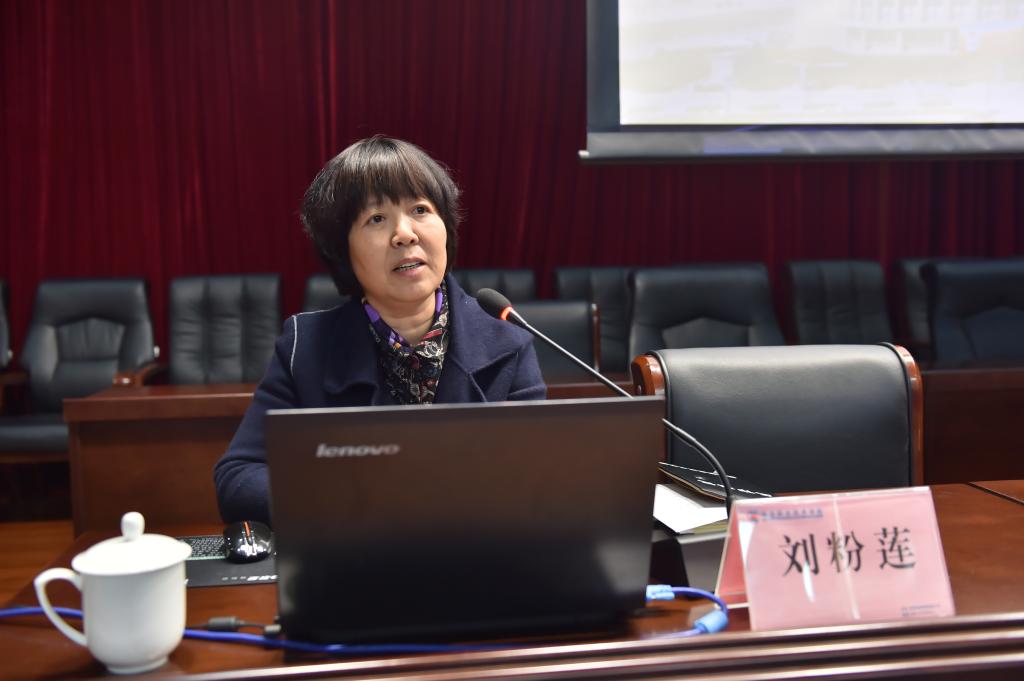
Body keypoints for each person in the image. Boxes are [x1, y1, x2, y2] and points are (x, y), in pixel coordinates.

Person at [214, 136, 546, 524]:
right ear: (343, 249)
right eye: (376, 218)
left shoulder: (508, 342)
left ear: (445, 228)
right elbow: (238, 478)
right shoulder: (305, 347)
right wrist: (343, 500)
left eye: (420, 209)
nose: (404, 233)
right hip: (353, 554)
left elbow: (540, 479)